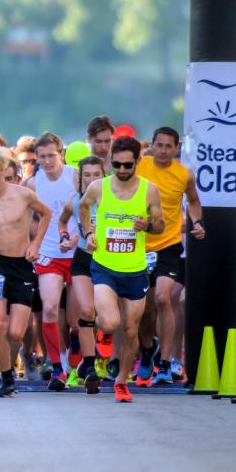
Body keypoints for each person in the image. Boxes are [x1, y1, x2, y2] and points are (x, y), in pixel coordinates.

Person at [79, 136, 165, 403]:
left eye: (128, 165)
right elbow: (82, 207)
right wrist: (89, 232)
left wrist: (147, 226)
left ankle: (121, 381)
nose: (123, 170)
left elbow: (160, 224)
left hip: (135, 269)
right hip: (105, 265)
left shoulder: (149, 190)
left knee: (130, 330)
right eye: (117, 164)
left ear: (138, 161)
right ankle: (103, 339)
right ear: (110, 161)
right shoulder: (98, 188)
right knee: (110, 322)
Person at [0, 146, 50, 398]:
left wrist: (35, 245)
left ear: (6, 171)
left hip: (22, 265)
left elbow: (46, 214)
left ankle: (6, 360)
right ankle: (6, 379)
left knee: (16, 331)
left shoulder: (23, 195)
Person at [136, 126, 204, 385]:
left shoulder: (184, 175)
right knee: (145, 308)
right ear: (151, 145)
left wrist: (196, 222)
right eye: (159, 145)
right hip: (141, 245)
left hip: (169, 245)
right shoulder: (140, 167)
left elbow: (195, 202)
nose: (163, 150)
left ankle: (165, 363)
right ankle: (147, 348)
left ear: (177, 148)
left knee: (165, 299)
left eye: (168, 146)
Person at [27, 132, 77, 391]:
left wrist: (78, 237)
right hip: (50, 252)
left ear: (62, 155)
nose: (46, 161)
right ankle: (57, 366)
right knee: (48, 309)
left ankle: (79, 361)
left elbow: (92, 210)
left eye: (51, 156)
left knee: (79, 319)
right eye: (42, 157)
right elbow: (26, 217)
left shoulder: (76, 176)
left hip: (78, 252)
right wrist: (31, 244)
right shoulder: (34, 184)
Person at [58, 155, 106, 393]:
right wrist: (64, 237)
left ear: (104, 176)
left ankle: (103, 359)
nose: (91, 179)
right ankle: (89, 366)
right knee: (86, 311)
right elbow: (62, 221)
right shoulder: (75, 201)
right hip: (82, 260)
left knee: (105, 319)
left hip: (110, 262)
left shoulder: (114, 199)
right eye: (86, 175)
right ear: (80, 178)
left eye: (96, 174)